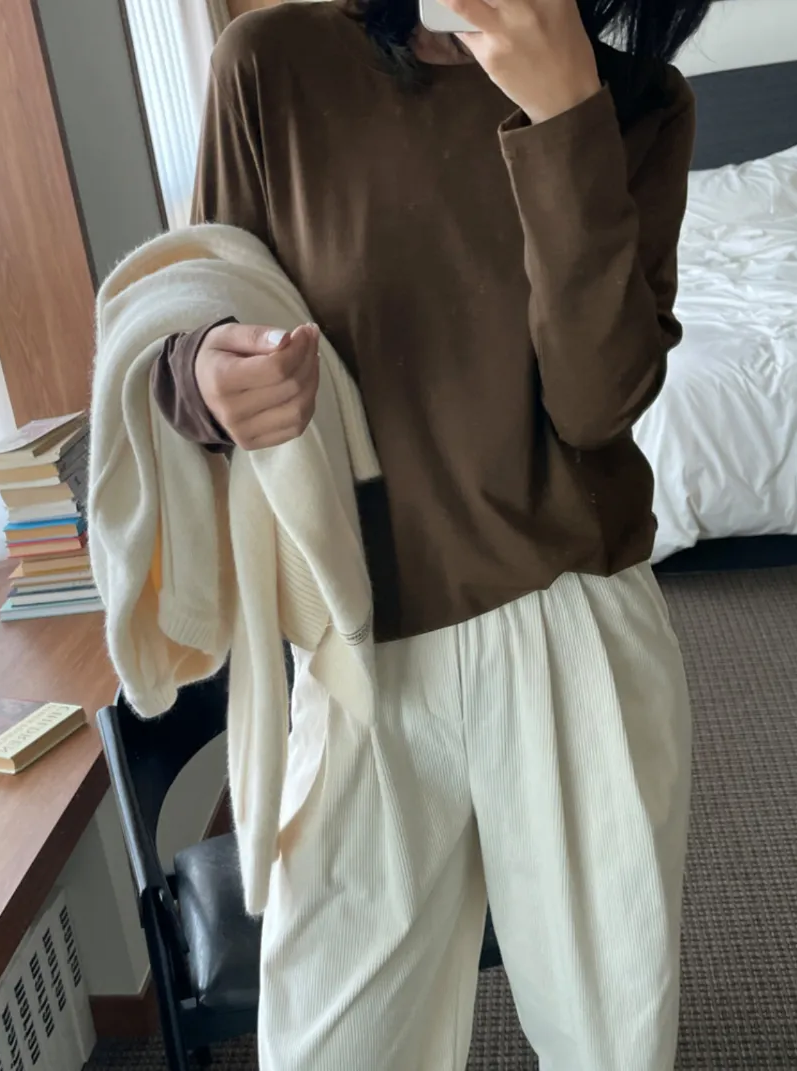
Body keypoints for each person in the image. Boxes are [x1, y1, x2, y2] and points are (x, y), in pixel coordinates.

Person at [151, 0, 712, 1067]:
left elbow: (595, 405)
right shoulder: (271, 65)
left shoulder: (637, 103)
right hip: (358, 644)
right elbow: (199, 309)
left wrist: (563, 118)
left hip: (572, 630)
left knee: (611, 1043)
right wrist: (206, 378)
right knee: (330, 1046)